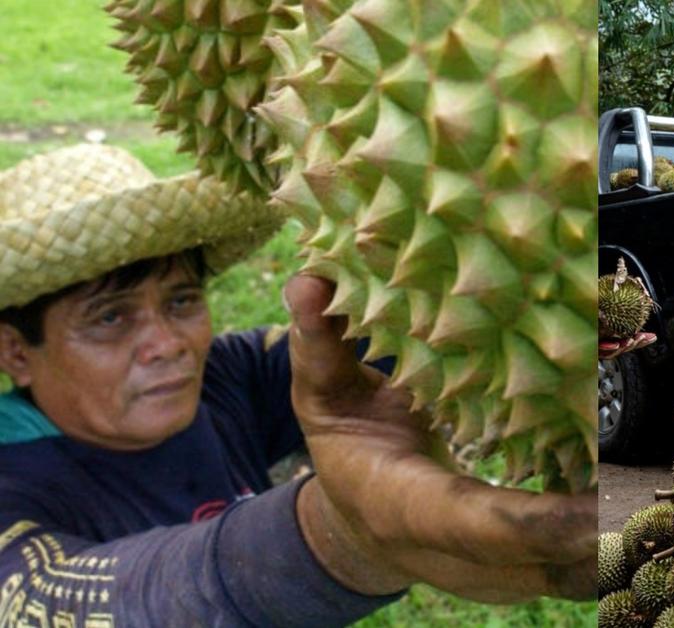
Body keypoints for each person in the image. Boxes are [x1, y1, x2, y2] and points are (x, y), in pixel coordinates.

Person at [0, 144, 596, 625]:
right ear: (16, 353)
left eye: (182, 300)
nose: (170, 344)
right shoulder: (13, 483)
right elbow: (51, 603)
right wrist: (341, 540)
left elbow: (405, 331)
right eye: (110, 318)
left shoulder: (224, 378)